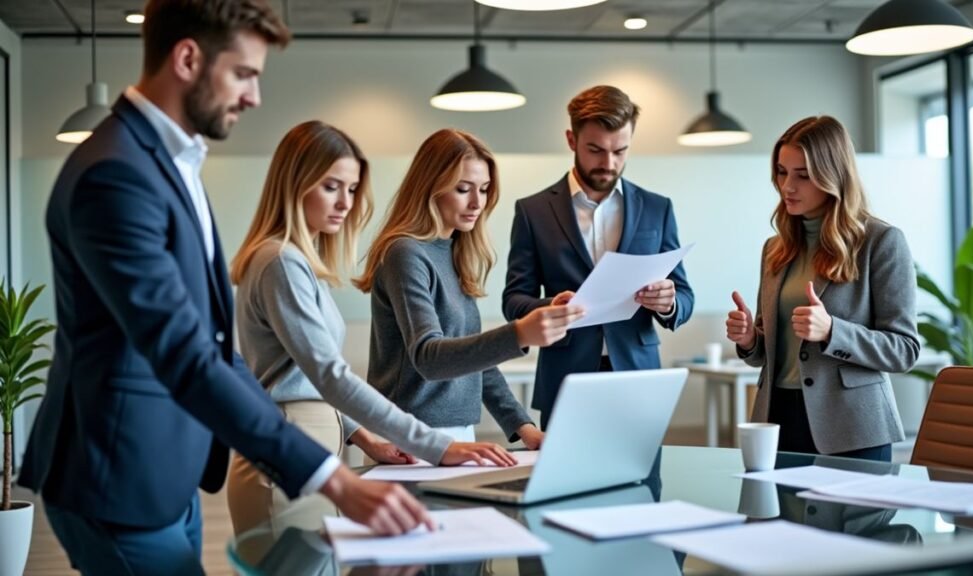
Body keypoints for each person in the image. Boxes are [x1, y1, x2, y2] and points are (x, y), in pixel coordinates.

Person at [17, 2, 429, 574]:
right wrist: (327, 476)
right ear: (188, 58)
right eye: (244, 73)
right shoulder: (115, 174)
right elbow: (182, 353)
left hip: (167, 471)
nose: (254, 96)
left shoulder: (169, 163)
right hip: (116, 477)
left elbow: (213, 347)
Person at [228, 121, 517, 534]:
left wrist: (364, 438)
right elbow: (328, 377)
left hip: (313, 443)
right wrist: (437, 445)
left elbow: (310, 380)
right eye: (331, 186)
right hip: (290, 446)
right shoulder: (280, 262)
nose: (345, 202)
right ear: (294, 183)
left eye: (351, 189)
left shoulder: (294, 262)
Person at [353, 128, 583, 447]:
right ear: (430, 187)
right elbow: (428, 357)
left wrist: (524, 428)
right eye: (463, 189)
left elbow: (475, 364)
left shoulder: (453, 252)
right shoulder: (405, 253)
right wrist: (518, 333)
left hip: (458, 434)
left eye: (485, 189)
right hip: (407, 437)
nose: (477, 202)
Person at [726, 115, 920, 462]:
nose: (788, 186)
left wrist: (833, 332)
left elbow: (904, 350)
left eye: (803, 175)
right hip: (777, 418)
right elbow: (766, 356)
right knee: (773, 516)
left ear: (833, 177)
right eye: (782, 172)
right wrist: (748, 340)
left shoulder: (881, 242)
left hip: (852, 427)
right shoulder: (775, 248)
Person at [502, 85, 695, 429]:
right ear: (571, 140)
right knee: (562, 482)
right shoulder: (533, 212)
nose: (609, 163)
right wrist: (550, 308)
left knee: (644, 480)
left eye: (620, 150)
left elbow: (684, 295)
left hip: (639, 376)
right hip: (565, 376)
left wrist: (668, 302)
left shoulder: (657, 208)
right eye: (595, 150)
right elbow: (514, 300)